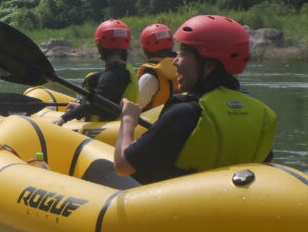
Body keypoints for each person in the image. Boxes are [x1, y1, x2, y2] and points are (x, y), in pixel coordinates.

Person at [114, 14, 276, 185]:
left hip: (174, 206)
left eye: (182, 54)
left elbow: (123, 166)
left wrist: (128, 120)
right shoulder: (260, 113)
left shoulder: (184, 114)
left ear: (209, 67)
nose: (175, 61)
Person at [52, 19, 138, 126]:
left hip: (109, 132)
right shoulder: (125, 69)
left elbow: (96, 104)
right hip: (119, 123)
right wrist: (80, 106)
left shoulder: (111, 76)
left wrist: (64, 118)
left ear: (101, 46)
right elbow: (106, 100)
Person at [136, 23, 179, 111]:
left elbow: (135, 107)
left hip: (154, 123)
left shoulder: (150, 76)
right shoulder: (183, 66)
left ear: (145, 49)